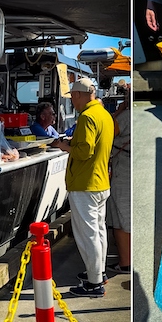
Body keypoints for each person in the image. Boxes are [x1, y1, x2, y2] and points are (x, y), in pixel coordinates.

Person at [52, 78, 114, 297]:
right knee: (98, 231)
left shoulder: (87, 117)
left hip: (85, 184)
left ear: (79, 95)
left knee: (87, 234)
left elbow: (84, 151)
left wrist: (63, 145)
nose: (72, 101)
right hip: (100, 182)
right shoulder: (104, 114)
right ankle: (99, 272)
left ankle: (94, 282)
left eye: (73, 97)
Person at [106, 95, 131, 274]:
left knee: (121, 218)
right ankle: (125, 262)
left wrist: (119, 111)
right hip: (125, 168)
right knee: (121, 218)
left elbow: (107, 130)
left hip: (122, 170)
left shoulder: (126, 116)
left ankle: (126, 262)